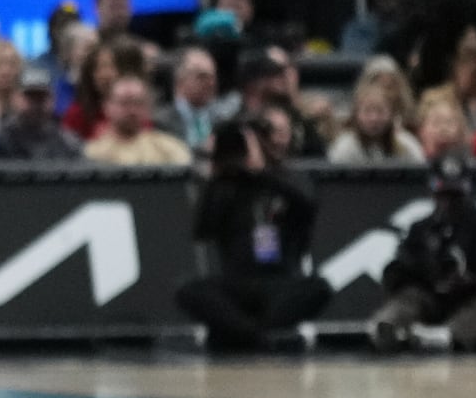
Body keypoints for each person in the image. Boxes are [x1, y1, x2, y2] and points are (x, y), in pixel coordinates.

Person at [173, 120, 326, 352]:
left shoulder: (286, 181)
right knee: (188, 290)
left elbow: (307, 207)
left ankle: (246, 333)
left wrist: (261, 175)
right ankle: (257, 334)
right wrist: (218, 175)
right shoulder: (223, 188)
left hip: (279, 281)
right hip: (237, 283)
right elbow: (202, 230)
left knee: (318, 288)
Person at [371, 156, 476, 350]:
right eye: (443, 195)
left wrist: (470, 280)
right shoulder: (420, 228)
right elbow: (396, 271)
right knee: (410, 296)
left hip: (469, 300)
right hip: (430, 299)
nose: (448, 203)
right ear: (432, 193)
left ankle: (450, 335)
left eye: (455, 196)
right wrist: (425, 271)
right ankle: (388, 326)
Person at [85, 76, 193, 167]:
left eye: (138, 103)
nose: (132, 110)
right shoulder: (92, 153)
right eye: (124, 103)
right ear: (107, 107)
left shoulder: (170, 149)